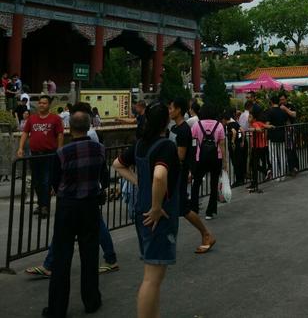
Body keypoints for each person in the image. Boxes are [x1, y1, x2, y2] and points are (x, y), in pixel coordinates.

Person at [113, 102, 180, 318]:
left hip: (140, 210)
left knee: (152, 274)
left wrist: (139, 182)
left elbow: (117, 164)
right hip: (156, 216)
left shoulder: (141, 144)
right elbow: (160, 175)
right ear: (166, 121)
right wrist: (157, 207)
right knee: (152, 278)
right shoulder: (166, 146)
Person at [42, 112, 107, 317]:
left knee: (62, 257)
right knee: (90, 255)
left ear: (70, 127)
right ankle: (91, 300)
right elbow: (104, 178)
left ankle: (57, 308)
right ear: (89, 126)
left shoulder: (62, 153)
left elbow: (54, 181)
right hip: (90, 206)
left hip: (67, 207)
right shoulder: (100, 150)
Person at [168, 97, 216, 253]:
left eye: (171, 108)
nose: (170, 111)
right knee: (174, 207)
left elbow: (181, 156)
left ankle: (206, 234)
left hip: (178, 173)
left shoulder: (183, 130)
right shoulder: (174, 129)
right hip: (173, 173)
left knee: (184, 208)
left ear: (179, 110)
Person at [17, 95, 64, 217]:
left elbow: (60, 135)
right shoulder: (32, 119)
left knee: (46, 181)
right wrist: (21, 148)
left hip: (50, 154)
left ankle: (45, 207)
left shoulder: (55, 119)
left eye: (44, 103)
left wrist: (59, 149)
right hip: (35, 155)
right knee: (36, 181)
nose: (41, 105)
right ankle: (41, 204)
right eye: (40, 103)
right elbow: (25, 133)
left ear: (49, 105)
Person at [190, 104, 227, 219]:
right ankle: (210, 212)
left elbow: (192, 140)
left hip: (200, 157)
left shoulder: (197, 124)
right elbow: (221, 144)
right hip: (216, 157)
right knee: (213, 183)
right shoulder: (219, 125)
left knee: (196, 183)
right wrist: (225, 161)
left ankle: (194, 208)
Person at [266, 94, 289, 180]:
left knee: (273, 156)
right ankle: (283, 175)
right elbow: (286, 122)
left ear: (271, 102)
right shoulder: (283, 111)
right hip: (282, 135)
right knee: (282, 155)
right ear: (278, 102)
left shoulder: (269, 111)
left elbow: (267, 124)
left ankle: (276, 175)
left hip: (272, 136)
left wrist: (264, 125)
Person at [248, 109, 271, 192]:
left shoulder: (254, 124)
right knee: (253, 165)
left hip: (256, 147)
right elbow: (267, 126)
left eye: (250, 117)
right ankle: (254, 182)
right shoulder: (259, 123)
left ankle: (264, 173)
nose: (248, 118)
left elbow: (259, 130)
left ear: (254, 118)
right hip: (260, 147)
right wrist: (271, 126)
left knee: (253, 165)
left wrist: (252, 129)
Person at [222, 108, 246, 186]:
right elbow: (242, 130)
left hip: (234, 146)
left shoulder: (229, 125)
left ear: (224, 119)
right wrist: (242, 141)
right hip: (239, 144)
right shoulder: (235, 123)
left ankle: (238, 180)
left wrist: (232, 142)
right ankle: (241, 179)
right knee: (240, 162)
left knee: (235, 163)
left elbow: (234, 132)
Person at [279, 92, 299, 175]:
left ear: (286, 99)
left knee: (291, 149)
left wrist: (286, 109)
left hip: (290, 130)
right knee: (286, 150)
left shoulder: (290, 106)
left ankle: (294, 168)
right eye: (280, 100)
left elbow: (294, 115)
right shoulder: (278, 107)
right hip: (282, 131)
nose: (282, 101)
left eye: (283, 99)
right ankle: (290, 167)